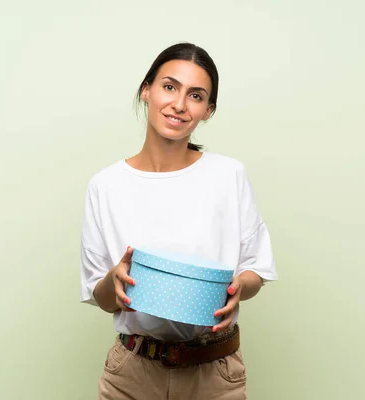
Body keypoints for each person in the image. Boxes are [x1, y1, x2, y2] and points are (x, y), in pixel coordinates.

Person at [80, 42, 278, 400]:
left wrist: (237, 288)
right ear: (146, 90)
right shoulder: (105, 186)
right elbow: (103, 297)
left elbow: (256, 270)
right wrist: (115, 280)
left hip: (214, 371)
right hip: (132, 372)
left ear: (208, 110)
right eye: (169, 87)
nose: (180, 104)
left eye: (196, 95)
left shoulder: (228, 175)